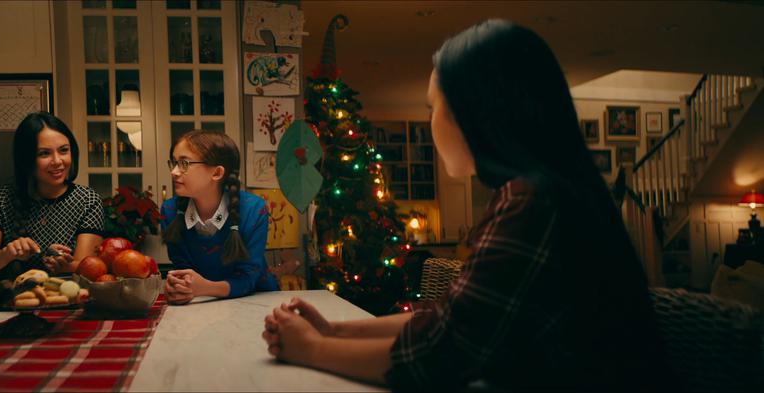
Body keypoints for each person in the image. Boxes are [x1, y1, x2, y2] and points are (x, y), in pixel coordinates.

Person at [262, 19, 675, 391]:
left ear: (472, 112)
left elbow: (436, 360)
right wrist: (334, 331)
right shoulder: (547, 189)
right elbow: (447, 318)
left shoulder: (531, 201)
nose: (431, 121)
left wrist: (311, 349)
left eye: (433, 106)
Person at [0, 112, 104, 280]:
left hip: (64, 300)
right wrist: (7, 253)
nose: (57, 161)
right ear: (26, 159)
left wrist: (61, 265)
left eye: (63, 151)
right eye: (44, 153)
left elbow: (89, 270)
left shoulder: (87, 201)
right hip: (12, 302)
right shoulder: (3, 199)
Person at [161, 130, 279, 304]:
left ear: (216, 173)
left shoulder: (254, 210)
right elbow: (182, 269)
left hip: (256, 304)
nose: (174, 172)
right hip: (199, 307)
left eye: (184, 163)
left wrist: (204, 288)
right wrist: (179, 286)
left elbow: (249, 278)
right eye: (174, 163)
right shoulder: (170, 211)